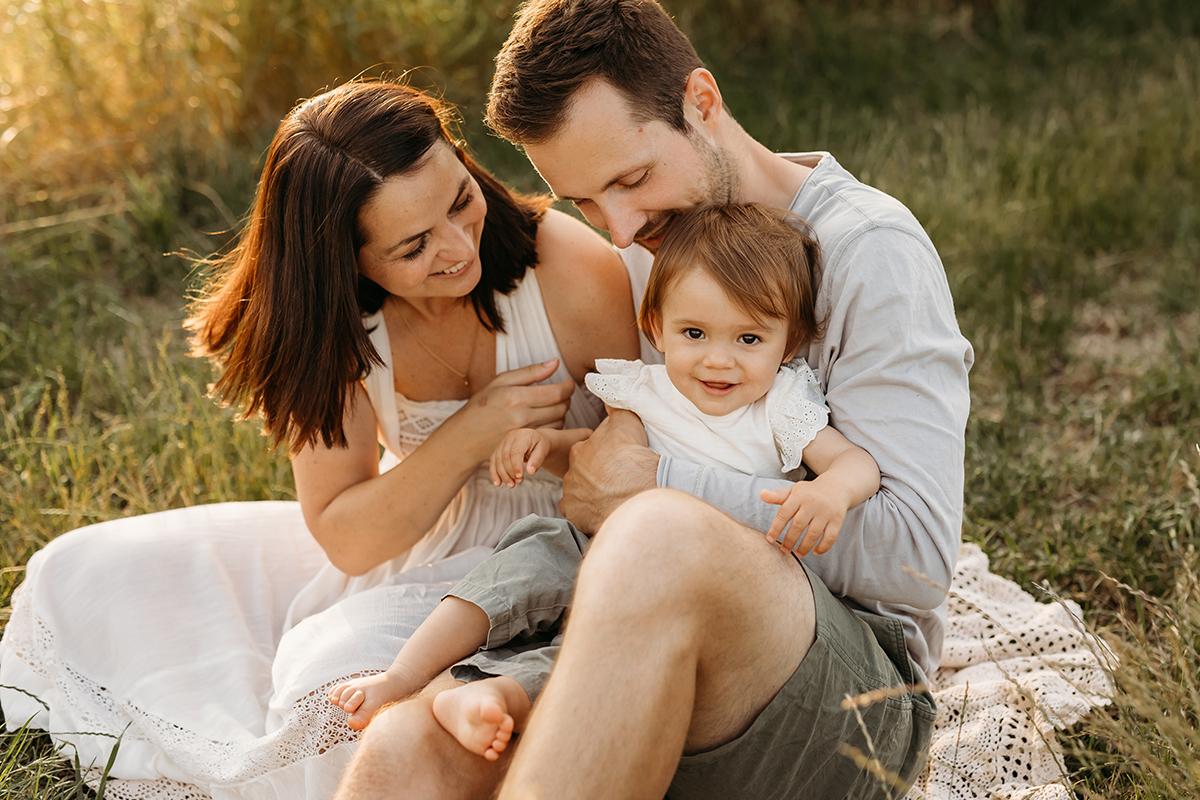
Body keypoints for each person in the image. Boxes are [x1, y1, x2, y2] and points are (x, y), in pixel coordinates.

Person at [335, 1, 973, 799]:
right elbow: (602, 464)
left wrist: (660, 491)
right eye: (586, 204)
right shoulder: (649, 250)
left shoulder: (871, 252)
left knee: (659, 533)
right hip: (630, 632)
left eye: (633, 179)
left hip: (845, 687)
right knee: (408, 745)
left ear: (701, 102)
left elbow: (913, 559)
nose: (622, 226)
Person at [0, 80, 641, 798]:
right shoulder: (337, 330)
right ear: (345, 259)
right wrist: (474, 430)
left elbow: (652, 443)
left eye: (461, 200)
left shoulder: (562, 266)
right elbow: (348, 537)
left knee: (354, 715)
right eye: (413, 246)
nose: (461, 246)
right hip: (418, 548)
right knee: (87, 574)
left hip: (568, 551)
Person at [326, 203, 882, 751]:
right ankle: (402, 677)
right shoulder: (646, 392)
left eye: (749, 339)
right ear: (657, 328)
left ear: (789, 342)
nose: (718, 360)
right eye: (695, 333)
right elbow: (599, 459)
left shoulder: (779, 406)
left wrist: (830, 490)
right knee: (519, 562)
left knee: (595, 644)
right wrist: (547, 445)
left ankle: (501, 696)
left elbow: (856, 463)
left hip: (694, 574)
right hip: (595, 538)